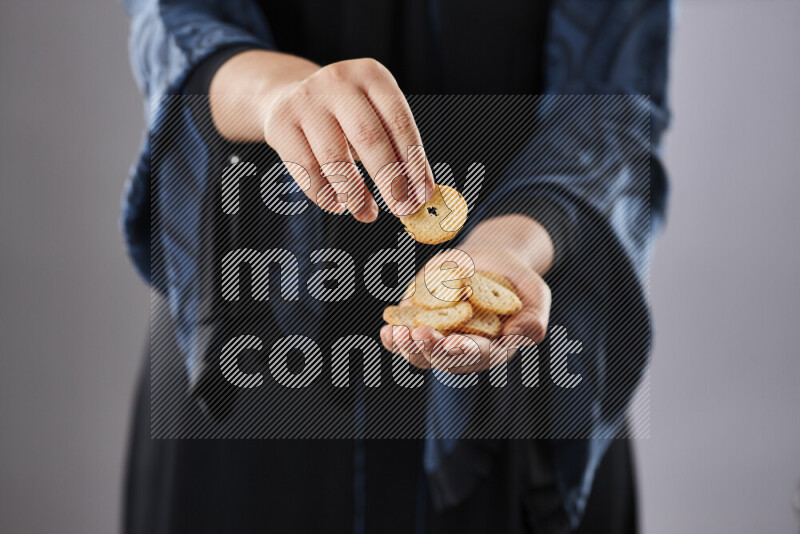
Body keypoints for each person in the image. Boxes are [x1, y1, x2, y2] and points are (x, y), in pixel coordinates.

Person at [121, 1, 672, 532]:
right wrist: (279, 94)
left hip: (525, 361)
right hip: (249, 364)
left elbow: (614, 101)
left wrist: (511, 244)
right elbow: (174, 21)